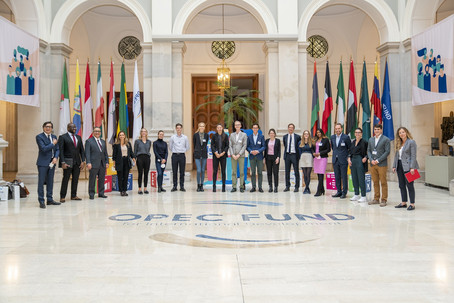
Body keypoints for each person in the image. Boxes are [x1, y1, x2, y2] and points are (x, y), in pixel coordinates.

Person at [393, 127, 419, 211]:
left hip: (408, 166)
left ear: (406, 132)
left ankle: (412, 204)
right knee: (401, 185)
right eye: (400, 133)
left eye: (403, 132)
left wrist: (412, 167)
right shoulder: (399, 143)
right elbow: (396, 156)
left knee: (410, 185)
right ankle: (403, 202)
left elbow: (413, 155)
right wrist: (394, 166)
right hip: (399, 165)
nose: (401, 134)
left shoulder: (411, 142)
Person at [58, 122, 85, 202]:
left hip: (77, 162)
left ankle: (73, 195)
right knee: (65, 179)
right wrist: (62, 162)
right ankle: (62, 196)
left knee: (75, 179)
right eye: (73, 127)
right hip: (67, 162)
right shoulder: (63, 137)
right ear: (68, 128)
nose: (75, 129)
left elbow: (82, 151)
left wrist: (83, 161)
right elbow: (61, 151)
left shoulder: (78, 137)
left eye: (75, 127)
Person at [36, 121, 60, 209]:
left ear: (52, 128)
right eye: (46, 126)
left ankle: (50, 199)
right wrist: (52, 144)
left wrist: (56, 157)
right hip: (42, 163)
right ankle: (41, 201)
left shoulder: (54, 137)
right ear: (43, 127)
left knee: (50, 181)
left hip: (52, 163)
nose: (48, 128)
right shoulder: (39, 137)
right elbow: (43, 149)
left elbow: (57, 149)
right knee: (41, 182)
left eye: (50, 127)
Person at [367, 124, 391, 207]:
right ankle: (376, 198)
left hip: (381, 164)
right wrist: (371, 160)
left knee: (383, 182)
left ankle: (384, 199)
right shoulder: (371, 139)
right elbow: (369, 151)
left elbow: (387, 152)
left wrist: (378, 160)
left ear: (381, 130)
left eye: (378, 129)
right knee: (375, 182)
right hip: (372, 164)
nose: (376, 131)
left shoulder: (386, 139)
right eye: (375, 129)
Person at [85, 127, 109, 200]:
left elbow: (105, 153)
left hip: (102, 164)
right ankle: (91, 194)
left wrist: (107, 162)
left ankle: (101, 193)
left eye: (98, 131)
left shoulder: (103, 141)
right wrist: (88, 162)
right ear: (93, 132)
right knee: (92, 179)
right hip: (93, 163)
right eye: (95, 131)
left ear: (100, 133)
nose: (97, 132)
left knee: (102, 179)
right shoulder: (89, 141)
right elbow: (87, 153)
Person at [330, 123, 351, 199]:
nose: (337, 130)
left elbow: (349, 148)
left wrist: (348, 157)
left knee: (344, 176)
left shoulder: (346, 137)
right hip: (335, 160)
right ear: (335, 129)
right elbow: (333, 147)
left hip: (343, 160)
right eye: (336, 129)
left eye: (339, 128)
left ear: (341, 129)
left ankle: (344, 192)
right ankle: (339, 191)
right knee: (337, 176)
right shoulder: (332, 137)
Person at [348, 128, 368, 202]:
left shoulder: (364, 142)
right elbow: (350, 152)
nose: (357, 134)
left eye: (359, 132)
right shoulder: (353, 142)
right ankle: (356, 194)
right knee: (354, 178)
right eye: (356, 132)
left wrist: (366, 157)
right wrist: (349, 159)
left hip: (360, 160)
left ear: (361, 133)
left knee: (361, 178)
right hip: (353, 160)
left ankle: (363, 195)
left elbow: (368, 152)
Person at [112, 131, 135, 196]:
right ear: (119, 137)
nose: (122, 136)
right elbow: (114, 155)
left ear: (125, 136)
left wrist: (134, 158)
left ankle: (125, 190)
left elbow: (131, 153)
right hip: (119, 161)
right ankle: (121, 190)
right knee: (120, 177)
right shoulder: (116, 145)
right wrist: (114, 163)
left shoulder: (128, 144)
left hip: (126, 161)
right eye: (120, 135)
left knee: (125, 176)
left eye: (123, 135)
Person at [169, 123, 189, 192]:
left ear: (181, 129)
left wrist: (181, 151)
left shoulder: (185, 137)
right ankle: (174, 186)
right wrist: (176, 151)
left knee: (182, 172)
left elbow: (187, 147)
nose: (179, 129)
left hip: (182, 155)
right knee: (174, 171)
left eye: (180, 128)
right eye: (177, 128)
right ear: (176, 129)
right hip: (174, 155)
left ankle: (182, 186)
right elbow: (170, 147)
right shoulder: (172, 137)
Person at [229, 121, 248, 193]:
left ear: (240, 126)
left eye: (238, 125)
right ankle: (234, 186)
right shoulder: (232, 135)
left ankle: (241, 187)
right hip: (233, 156)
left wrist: (239, 154)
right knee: (234, 172)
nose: (237, 126)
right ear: (234, 126)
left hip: (241, 155)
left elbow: (244, 145)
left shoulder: (244, 135)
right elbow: (230, 145)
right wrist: (232, 154)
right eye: (235, 125)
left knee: (241, 172)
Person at [247, 123, 266, 192]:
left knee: (260, 172)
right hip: (252, 156)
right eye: (254, 128)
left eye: (256, 128)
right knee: (253, 172)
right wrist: (251, 151)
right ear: (252, 129)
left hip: (259, 156)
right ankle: (253, 187)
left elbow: (264, 146)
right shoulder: (249, 137)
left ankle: (260, 187)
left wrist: (258, 151)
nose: (255, 129)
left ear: (258, 129)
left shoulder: (261, 137)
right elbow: (247, 146)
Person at [283, 123, 301, 192]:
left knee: (296, 171)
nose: (290, 129)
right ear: (288, 128)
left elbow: (298, 146)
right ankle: (287, 186)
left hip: (294, 155)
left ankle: (297, 186)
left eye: (292, 127)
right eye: (289, 127)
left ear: (293, 129)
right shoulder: (285, 137)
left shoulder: (297, 137)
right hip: (287, 155)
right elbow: (285, 145)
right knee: (287, 171)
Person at [312, 128, 330, 197]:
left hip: (322, 158)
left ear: (322, 133)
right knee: (318, 174)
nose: (318, 134)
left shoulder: (326, 140)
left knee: (321, 174)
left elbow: (328, 149)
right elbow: (312, 148)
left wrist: (320, 153)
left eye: (319, 132)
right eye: (317, 132)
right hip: (316, 159)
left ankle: (318, 191)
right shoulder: (315, 140)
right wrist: (313, 153)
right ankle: (322, 189)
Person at [211, 124, 229, 192]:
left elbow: (227, 146)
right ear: (216, 128)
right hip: (216, 156)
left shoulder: (225, 136)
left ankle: (223, 186)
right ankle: (214, 186)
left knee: (223, 171)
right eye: (218, 127)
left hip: (223, 155)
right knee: (215, 171)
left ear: (222, 128)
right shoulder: (214, 136)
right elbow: (212, 145)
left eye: (220, 127)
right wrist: (216, 153)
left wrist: (223, 153)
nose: (219, 129)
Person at [134, 128, 152, 195]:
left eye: (145, 131)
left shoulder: (149, 141)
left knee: (146, 173)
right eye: (142, 131)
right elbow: (135, 151)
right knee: (140, 173)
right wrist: (134, 159)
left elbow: (148, 150)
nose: (143, 133)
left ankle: (145, 188)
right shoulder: (137, 141)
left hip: (147, 158)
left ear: (147, 133)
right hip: (140, 158)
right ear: (140, 133)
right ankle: (139, 188)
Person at [193, 122, 209, 192]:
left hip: (204, 154)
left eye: (203, 126)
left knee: (203, 170)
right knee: (199, 170)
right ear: (198, 127)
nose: (202, 127)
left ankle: (201, 185)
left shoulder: (206, 135)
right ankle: (198, 185)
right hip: (197, 154)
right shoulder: (195, 135)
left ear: (204, 127)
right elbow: (194, 144)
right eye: (200, 126)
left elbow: (206, 144)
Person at [264, 128, 281, 193]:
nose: (271, 134)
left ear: (274, 134)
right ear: (269, 134)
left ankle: (276, 187)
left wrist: (278, 157)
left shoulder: (277, 141)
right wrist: (265, 158)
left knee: (275, 173)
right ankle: (270, 186)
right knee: (269, 173)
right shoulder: (267, 141)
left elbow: (279, 150)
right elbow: (265, 150)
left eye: (273, 133)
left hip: (275, 158)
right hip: (268, 157)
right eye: (270, 133)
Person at [299, 130, 313, 194]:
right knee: (304, 174)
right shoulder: (300, 143)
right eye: (305, 134)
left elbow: (313, 151)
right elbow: (299, 152)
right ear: (303, 135)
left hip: (309, 157)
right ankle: (306, 188)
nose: (306, 135)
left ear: (309, 135)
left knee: (308, 174)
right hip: (303, 157)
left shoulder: (311, 143)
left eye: (307, 134)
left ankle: (307, 187)